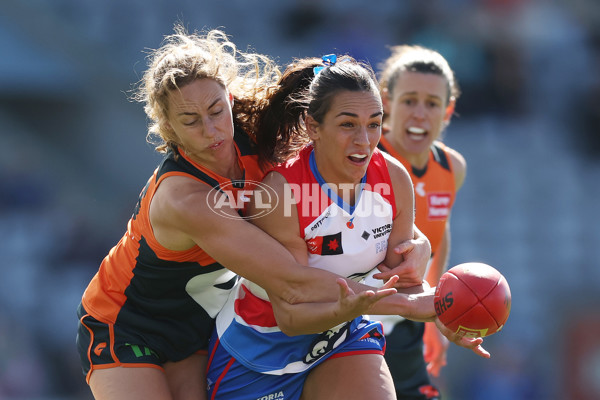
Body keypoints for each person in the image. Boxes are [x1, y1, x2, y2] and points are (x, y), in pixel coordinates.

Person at [75, 27, 433, 400]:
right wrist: (408, 303)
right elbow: (291, 280)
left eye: (216, 110)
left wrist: (416, 242)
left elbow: (364, 202)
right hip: (127, 324)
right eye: (190, 120)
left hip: (200, 323)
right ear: (168, 128)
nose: (211, 131)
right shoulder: (186, 199)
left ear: (229, 99)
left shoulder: (260, 134)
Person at [206, 54, 488, 400]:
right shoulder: (282, 192)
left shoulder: (395, 178)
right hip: (259, 351)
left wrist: (444, 312)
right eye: (347, 124)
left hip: (343, 336)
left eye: (373, 124)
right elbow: (291, 315)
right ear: (313, 127)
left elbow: (405, 287)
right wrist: (375, 307)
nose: (364, 140)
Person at [367, 44, 467, 399]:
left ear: (448, 111)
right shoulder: (364, 162)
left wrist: (437, 315)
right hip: (360, 316)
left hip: (409, 320)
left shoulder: (452, 167)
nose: (420, 114)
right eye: (409, 100)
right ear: (386, 101)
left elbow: (439, 238)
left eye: (432, 103)